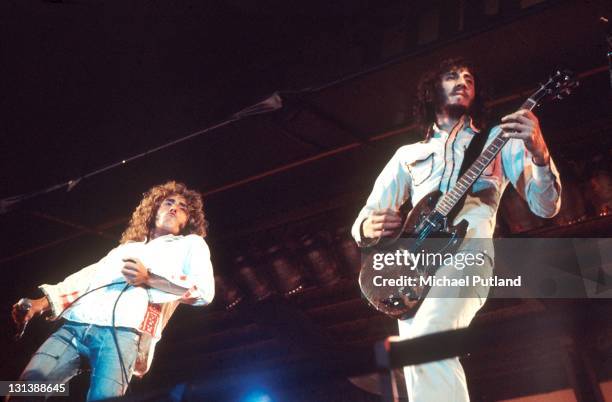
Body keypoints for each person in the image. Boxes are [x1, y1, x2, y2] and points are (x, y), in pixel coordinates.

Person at [351, 58, 561, 401]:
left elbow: (545, 206)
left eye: (469, 78)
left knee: (429, 343)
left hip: (466, 254)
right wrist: (368, 226)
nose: (463, 81)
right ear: (432, 90)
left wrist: (539, 153)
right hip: (412, 267)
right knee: (415, 358)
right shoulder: (408, 154)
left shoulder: (499, 139)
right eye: (452, 76)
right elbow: (366, 217)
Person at [10, 181, 215, 401]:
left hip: (123, 333)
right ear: (155, 209)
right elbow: (86, 278)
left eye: (183, 207)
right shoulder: (125, 248)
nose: (174, 208)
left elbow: (204, 291)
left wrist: (149, 278)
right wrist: (40, 303)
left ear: (187, 221)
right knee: (20, 391)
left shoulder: (190, 245)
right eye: (169, 202)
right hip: (76, 325)